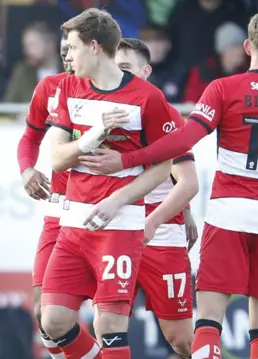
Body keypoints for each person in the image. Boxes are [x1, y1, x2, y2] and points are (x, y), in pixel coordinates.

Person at [77, 12, 258, 359]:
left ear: (248, 46)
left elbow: (184, 138)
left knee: (208, 322)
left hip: (227, 215)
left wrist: (128, 159)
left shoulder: (223, 88)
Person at [40, 8, 179, 359]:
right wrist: (94, 135)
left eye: (72, 48)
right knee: (53, 321)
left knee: (110, 329)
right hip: (72, 225)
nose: (67, 57)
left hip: (119, 225)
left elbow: (163, 168)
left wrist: (118, 200)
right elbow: (56, 158)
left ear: (94, 46)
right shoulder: (70, 87)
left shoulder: (147, 98)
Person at [100, 37, 198, 357]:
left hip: (160, 234)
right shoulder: (97, 113)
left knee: (183, 340)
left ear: (146, 71)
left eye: (126, 68)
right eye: (114, 68)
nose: (119, 75)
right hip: (115, 232)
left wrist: (161, 219)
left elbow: (187, 182)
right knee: (108, 328)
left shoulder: (165, 114)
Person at [16, 35, 76, 359]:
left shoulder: (119, 94)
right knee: (44, 312)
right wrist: (27, 170)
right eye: (64, 50)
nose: (68, 57)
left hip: (107, 215)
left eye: (74, 49)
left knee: (109, 320)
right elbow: (29, 139)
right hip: (60, 213)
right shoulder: (50, 88)